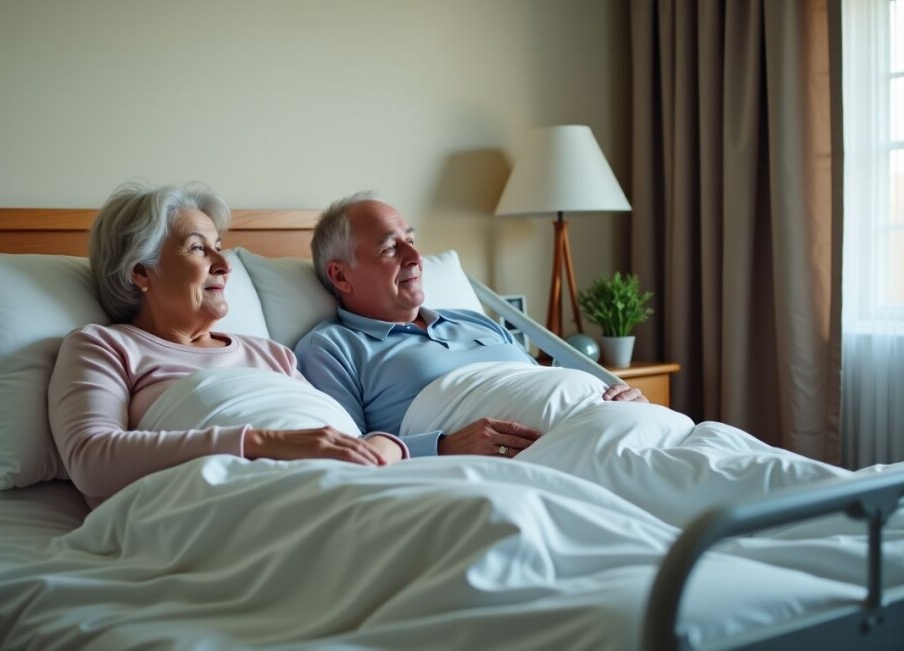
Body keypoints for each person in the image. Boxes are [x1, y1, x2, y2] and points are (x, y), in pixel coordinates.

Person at [48, 184, 405, 508]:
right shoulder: (104, 346)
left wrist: (386, 448)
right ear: (140, 271)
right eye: (198, 249)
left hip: (355, 480)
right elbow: (90, 462)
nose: (223, 265)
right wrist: (262, 442)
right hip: (244, 499)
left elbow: (338, 437)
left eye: (219, 248)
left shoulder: (271, 354)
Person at [295, 191, 647, 459]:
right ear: (340, 275)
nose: (416, 257)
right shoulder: (332, 347)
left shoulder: (474, 320)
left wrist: (623, 398)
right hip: (546, 454)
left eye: (412, 241)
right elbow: (347, 452)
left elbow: (538, 383)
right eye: (390, 248)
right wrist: (443, 447)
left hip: (606, 422)